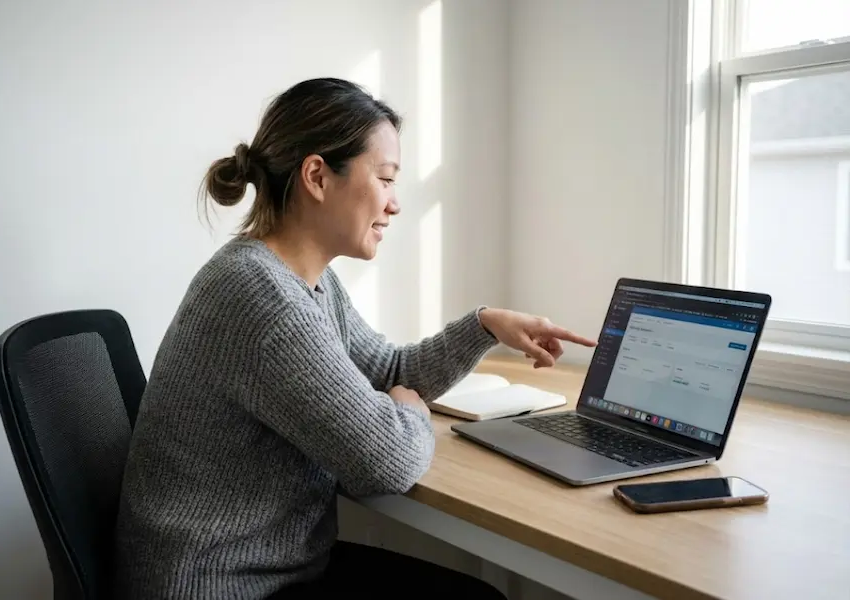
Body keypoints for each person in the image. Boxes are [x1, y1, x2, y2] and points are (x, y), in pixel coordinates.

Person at [112, 77, 596, 600]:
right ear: (317, 176)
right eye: (386, 179)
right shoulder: (261, 298)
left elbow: (389, 373)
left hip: (263, 569)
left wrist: (483, 325)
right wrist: (406, 411)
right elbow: (386, 460)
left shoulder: (302, 281)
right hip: (221, 586)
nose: (395, 204)